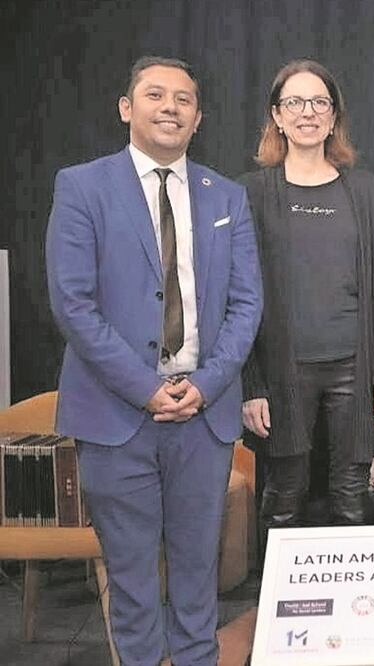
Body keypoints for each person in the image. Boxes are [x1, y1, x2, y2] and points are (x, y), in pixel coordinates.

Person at [45, 56, 262, 665]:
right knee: (134, 584)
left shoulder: (229, 196)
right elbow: (72, 303)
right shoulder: (82, 186)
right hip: (118, 418)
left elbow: (247, 304)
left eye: (184, 100)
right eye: (155, 94)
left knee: (201, 584)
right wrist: (145, 387)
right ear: (126, 107)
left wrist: (209, 382)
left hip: (205, 416)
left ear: (198, 119)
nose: (170, 107)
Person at [239, 59, 374, 531]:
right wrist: (252, 386)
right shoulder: (251, 193)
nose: (307, 112)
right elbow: (239, 293)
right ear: (277, 115)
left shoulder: (365, 190)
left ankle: (353, 605)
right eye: (294, 101)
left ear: (333, 117)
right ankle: (277, 603)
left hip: (355, 364)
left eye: (319, 102)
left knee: (352, 495)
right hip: (282, 369)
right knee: (283, 494)